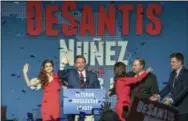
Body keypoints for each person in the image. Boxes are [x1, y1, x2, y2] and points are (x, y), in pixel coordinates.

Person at [58, 55, 100, 121]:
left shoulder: (93, 75)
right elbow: (60, 76)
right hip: (73, 108)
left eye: (82, 62)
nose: (80, 64)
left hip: (88, 109)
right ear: (75, 64)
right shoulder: (70, 73)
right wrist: (62, 65)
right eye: (78, 62)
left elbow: (98, 91)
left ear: (85, 63)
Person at [150, 53, 188, 121]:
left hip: (183, 110)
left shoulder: (186, 74)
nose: (171, 63)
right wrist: (159, 96)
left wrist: (172, 100)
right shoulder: (172, 73)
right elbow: (168, 87)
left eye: (173, 62)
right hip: (173, 109)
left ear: (180, 62)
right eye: (170, 61)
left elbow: (184, 90)